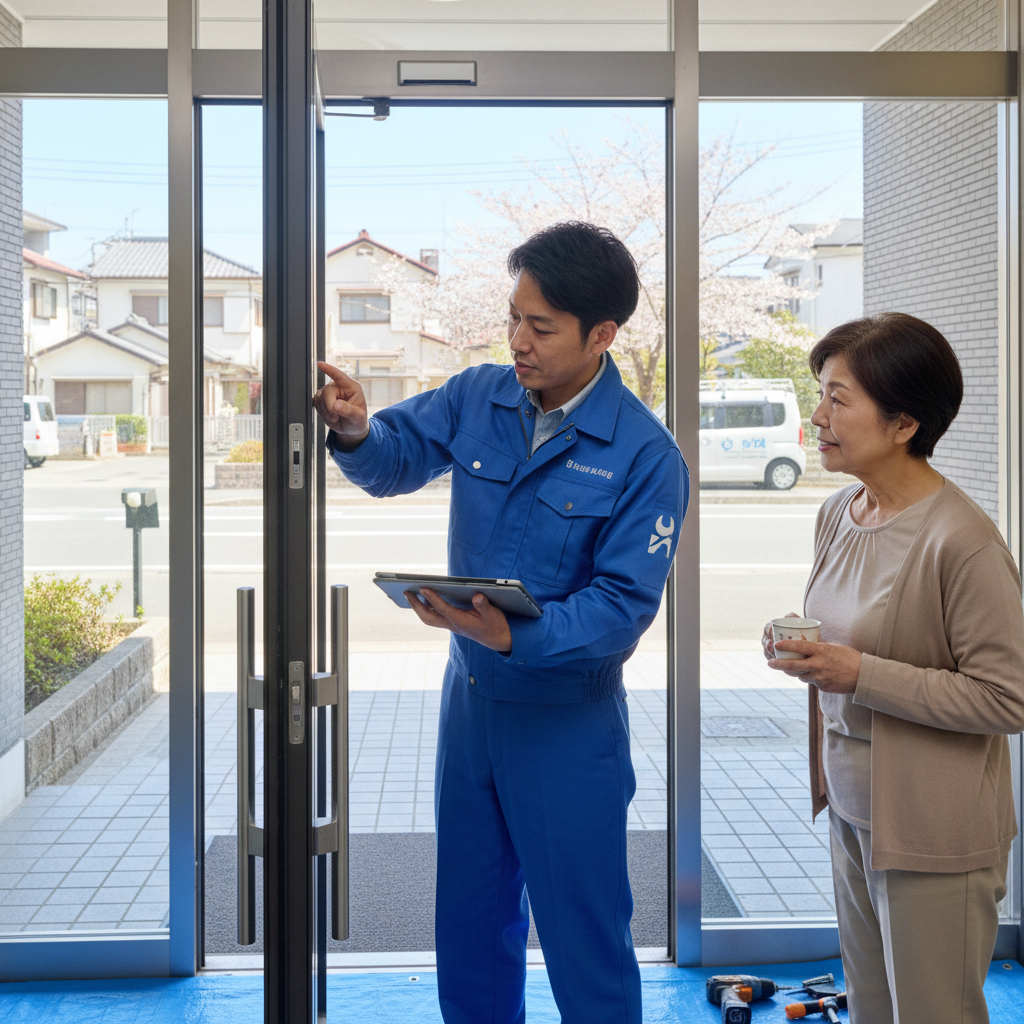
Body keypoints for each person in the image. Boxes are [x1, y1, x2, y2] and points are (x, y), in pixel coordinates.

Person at [313, 221, 687, 1024]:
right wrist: (352, 428)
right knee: (472, 930)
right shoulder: (477, 394)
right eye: (514, 316)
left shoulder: (647, 456)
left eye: (541, 327)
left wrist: (515, 634)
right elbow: (394, 458)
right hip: (472, 710)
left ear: (602, 335)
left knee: (585, 942)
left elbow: (623, 606)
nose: (518, 339)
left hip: (566, 724)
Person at [761, 312, 1024, 1024]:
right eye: (822, 393)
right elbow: (848, 643)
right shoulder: (840, 513)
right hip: (854, 808)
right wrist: (801, 649)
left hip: (934, 828)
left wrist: (859, 673)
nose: (817, 416)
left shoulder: (964, 542)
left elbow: (1009, 699)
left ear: (904, 423)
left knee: (933, 1013)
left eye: (838, 398)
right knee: (873, 1009)